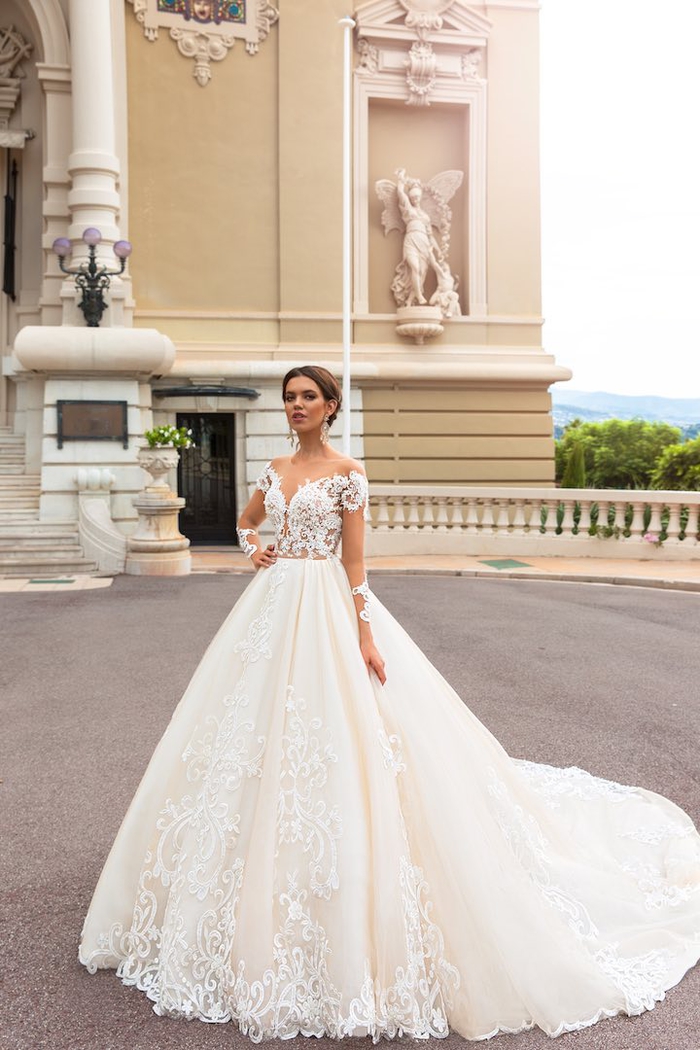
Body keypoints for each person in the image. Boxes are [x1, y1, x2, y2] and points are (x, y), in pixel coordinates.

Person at [79, 364, 700, 1042]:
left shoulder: (348, 472)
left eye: (307, 397)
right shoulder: (275, 466)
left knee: (346, 737)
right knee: (243, 736)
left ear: (330, 405)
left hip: (326, 609)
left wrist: (366, 633)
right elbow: (245, 520)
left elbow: (354, 563)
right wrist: (255, 548)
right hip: (271, 607)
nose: (295, 406)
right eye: (288, 398)